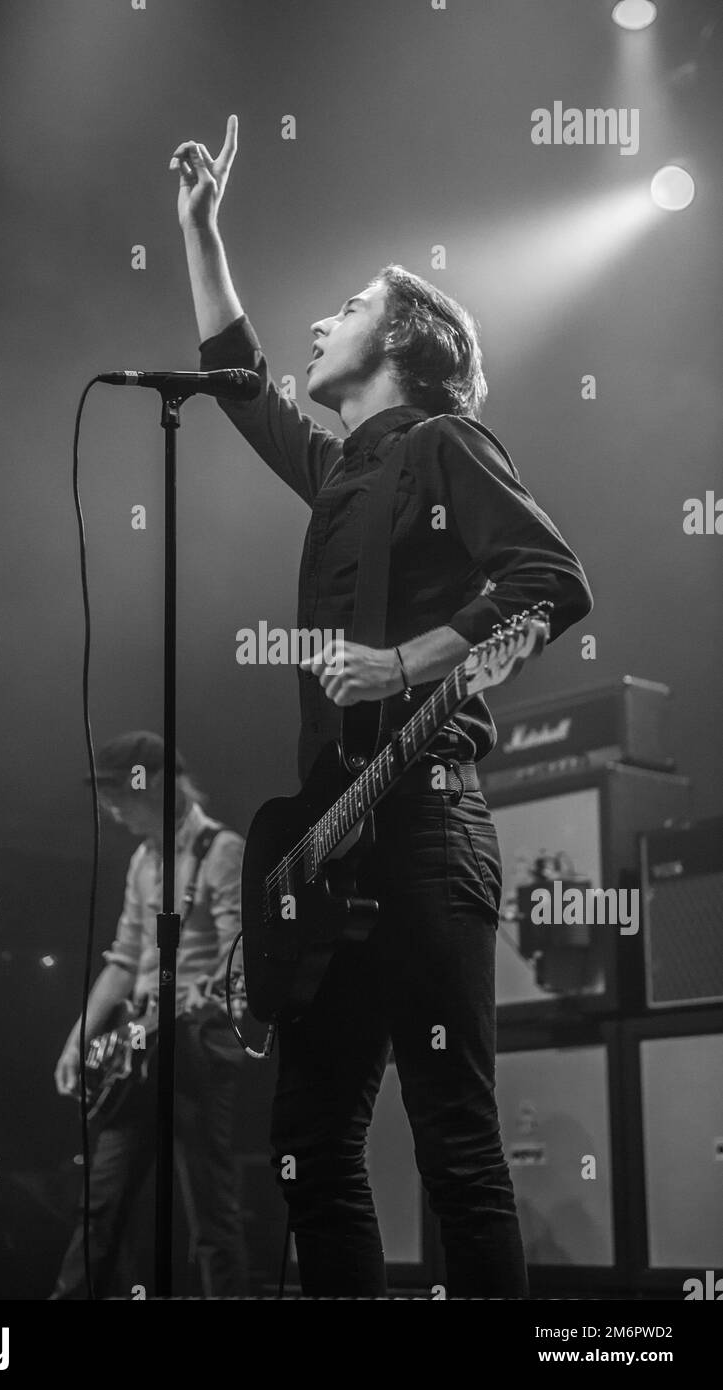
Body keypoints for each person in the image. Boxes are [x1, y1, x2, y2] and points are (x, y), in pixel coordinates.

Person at [168, 115, 594, 1298]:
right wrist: (200, 231)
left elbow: (550, 580)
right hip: (331, 846)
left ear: (404, 340)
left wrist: (406, 662)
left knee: (455, 1144)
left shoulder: (447, 442)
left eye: (347, 307)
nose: (320, 324)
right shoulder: (339, 474)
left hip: (426, 825)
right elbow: (238, 379)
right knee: (308, 1149)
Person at [51, 730, 248, 1298]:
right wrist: (77, 1041)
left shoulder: (222, 851)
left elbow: (241, 957)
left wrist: (208, 993)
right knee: (101, 1204)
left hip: (196, 1047)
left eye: (119, 793)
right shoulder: (142, 861)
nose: (111, 808)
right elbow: (124, 960)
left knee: (211, 1212)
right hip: (137, 1053)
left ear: (158, 783)